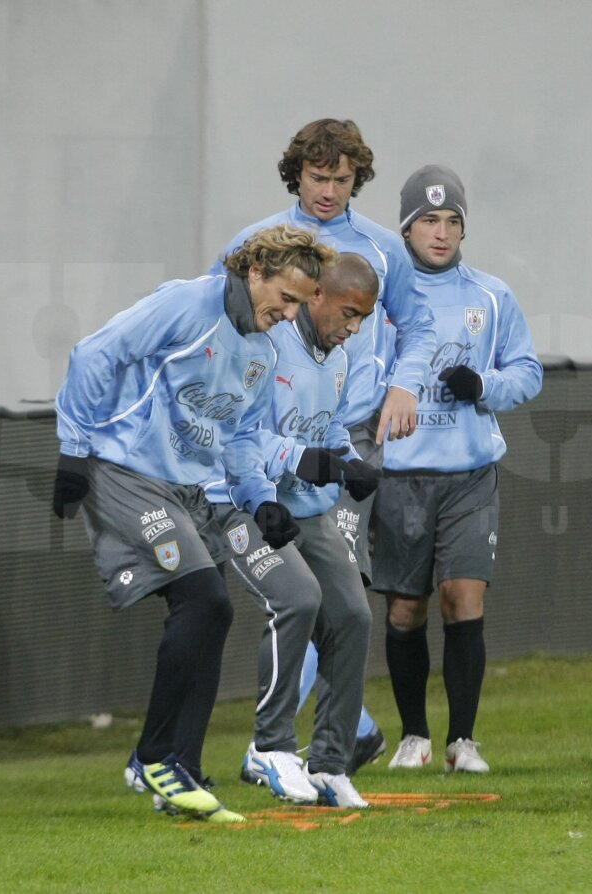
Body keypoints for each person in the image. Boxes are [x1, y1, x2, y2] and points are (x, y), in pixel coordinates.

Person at [51, 225, 338, 822]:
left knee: (214, 608)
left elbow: (240, 437)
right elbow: (95, 353)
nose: (288, 316)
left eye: (297, 306)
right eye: (284, 299)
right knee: (205, 598)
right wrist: (74, 451)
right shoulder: (187, 303)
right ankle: (153, 756)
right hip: (121, 470)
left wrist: (261, 501)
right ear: (255, 270)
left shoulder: (260, 351)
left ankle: (176, 769)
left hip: (181, 488)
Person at [211, 118, 436, 771]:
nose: (330, 191)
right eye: (318, 177)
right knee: (303, 591)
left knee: (331, 593)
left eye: (342, 179)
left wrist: (405, 387)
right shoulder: (259, 244)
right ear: (296, 175)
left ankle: (336, 740)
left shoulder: (381, 251)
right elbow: (216, 321)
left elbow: (419, 327)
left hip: (343, 431)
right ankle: (319, 737)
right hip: (262, 440)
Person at [375, 165, 543, 773]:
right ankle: (414, 735)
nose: (441, 234)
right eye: (428, 221)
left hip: (471, 473)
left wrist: (484, 385)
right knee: (404, 609)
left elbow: (528, 370)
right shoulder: (381, 301)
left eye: (452, 222)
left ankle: (463, 741)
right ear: (406, 228)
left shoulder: (492, 297)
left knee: (462, 596)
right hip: (402, 474)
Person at [209, 254, 381, 809]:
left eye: (362, 319)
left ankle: (330, 763)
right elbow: (242, 434)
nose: (353, 328)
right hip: (247, 504)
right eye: (348, 314)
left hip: (306, 510)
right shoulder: (266, 344)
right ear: (315, 297)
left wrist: (348, 459)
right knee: (298, 598)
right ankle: (270, 745)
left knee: (353, 616)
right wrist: (316, 462)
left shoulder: (340, 356)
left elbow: (328, 423)